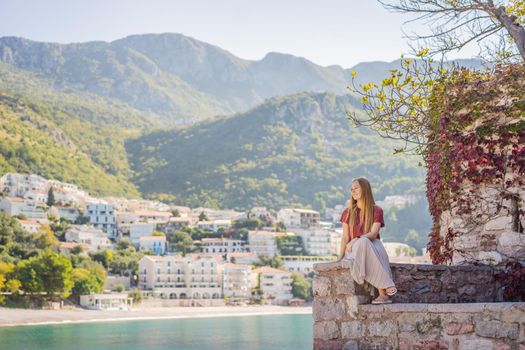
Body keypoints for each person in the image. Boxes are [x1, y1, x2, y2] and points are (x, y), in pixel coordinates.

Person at [339, 177, 397, 304]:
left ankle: (383, 295)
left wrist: (357, 239)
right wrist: (340, 258)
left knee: (373, 245)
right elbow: (345, 238)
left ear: (365, 189)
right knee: (365, 243)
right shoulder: (347, 213)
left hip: (370, 244)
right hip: (352, 250)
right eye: (351, 189)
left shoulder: (377, 210)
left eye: (356, 188)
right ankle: (385, 290)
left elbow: (374, 233)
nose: (353, 191)